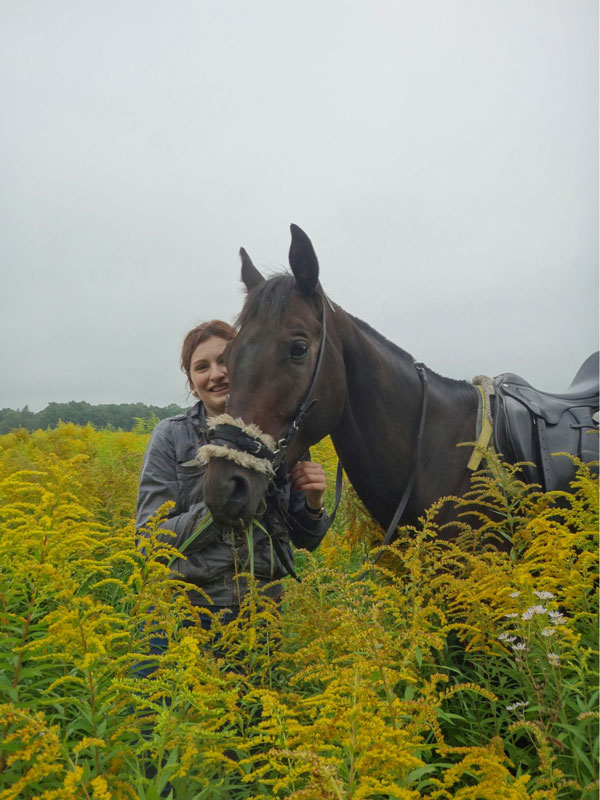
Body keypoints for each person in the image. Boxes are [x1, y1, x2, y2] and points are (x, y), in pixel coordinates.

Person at [136, 319, 330, 618]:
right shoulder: (172, 436)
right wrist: (224, 505)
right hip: (183, 609)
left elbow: (307, 540)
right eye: (202, 367)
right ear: (191, 382)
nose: (216, 374)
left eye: (225, 361)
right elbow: (149, 540)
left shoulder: (281, 434)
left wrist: (314, 504)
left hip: (261, 610)